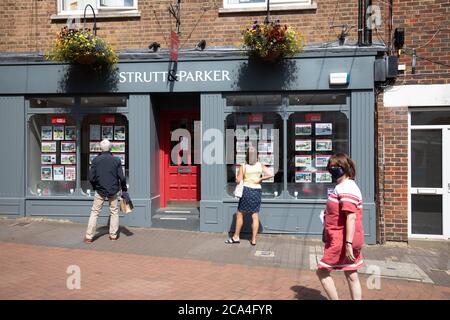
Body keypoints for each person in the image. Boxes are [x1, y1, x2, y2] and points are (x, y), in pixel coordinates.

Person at [316, 153, 364, 300]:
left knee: (322, 272)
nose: (331, 169)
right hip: (343, 238)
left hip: (341, 240)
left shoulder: (346, 187)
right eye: (330, 167)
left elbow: (351, 217)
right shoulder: (344, 186)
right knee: (351, 273)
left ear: (343, 167)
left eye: (335, 166)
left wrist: (348, 244)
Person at [226, 145, 274, 246]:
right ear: (256, 155)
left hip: (246, 191)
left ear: (247, 155)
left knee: (240, 214)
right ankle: (253, 240)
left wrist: (237, 177)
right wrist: (260, 179)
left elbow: (238, 181)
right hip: (257, 191)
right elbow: (271, 174)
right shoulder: (260, 165)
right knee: (255, 215)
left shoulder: (243, 166)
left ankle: (236, 236)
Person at [84, 139, 128, 243]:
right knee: (114, 211)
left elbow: (91, 177)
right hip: (113, 189)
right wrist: (124, 188)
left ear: (101, 148)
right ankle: (113, 235)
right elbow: (121, 177)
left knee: (95, 212)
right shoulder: (116, 160)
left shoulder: (95, 160)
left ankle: (89, 237)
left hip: (100, 190)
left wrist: (95, 186)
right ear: (110, 148)